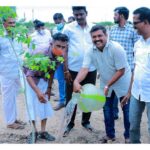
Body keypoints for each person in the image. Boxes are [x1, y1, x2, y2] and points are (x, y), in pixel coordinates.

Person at [73, 25, 131, 143]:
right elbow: (85, 68)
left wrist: (107, 85)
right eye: (94, 37)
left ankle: (128, 136)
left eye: (100, 36)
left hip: (123, 82)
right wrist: (76, 81)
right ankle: (110, 135)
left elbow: (121, 70)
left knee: (127, 110)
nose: (97, 39)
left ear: (106, 35)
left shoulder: (116, 48)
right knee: (107, 110)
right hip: (106, 82)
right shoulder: (90, 51)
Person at [24, 26, 69, 143]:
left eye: (63, 47)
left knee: (44, 102)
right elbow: (29, 75)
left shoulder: (61, 55)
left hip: (44, 77)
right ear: (51, 43)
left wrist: (48, 89)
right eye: (58, 46)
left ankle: (43, 132)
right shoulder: (40, 53)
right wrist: (38, 92)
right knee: (32, 105)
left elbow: (52, 70)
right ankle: (33, 132)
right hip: (31, 78)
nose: (60, 49)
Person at [62, 6, 97, 137]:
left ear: (86, 13)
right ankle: (69, 123)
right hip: (73, 69)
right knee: (71, 98)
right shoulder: (68, 28)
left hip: (91, 68)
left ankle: (86, 121)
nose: (79, 17)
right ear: (73, 14)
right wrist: (65, 70)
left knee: (88, 96)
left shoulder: (93, 27)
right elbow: (64, 49)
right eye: (76, 14)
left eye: (81, 14)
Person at [109, 6, 139, 120]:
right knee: (112, 92)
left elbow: (137, 50)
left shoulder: (132, 30)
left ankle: (128, 117)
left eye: (115, 14)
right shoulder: (112, 29)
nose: (114, 16)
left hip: (127, 69)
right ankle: (114, 114)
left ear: (121, 15)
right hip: (113, 68)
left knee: (125, 94)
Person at [0, 17, 26, 129]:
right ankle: (10, 122)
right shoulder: (1, 37)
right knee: (8, 97)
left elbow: (20, 52)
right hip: (6, 72)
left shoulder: (17, 36)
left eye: (14, 22)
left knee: (14, 96)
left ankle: (14, 118)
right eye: (10, 23)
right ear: (3, 24)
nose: (13, 25)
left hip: (17, 71)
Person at [129, 7, 150, 143]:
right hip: (136, 92)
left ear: (146, 22)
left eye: (135, 22)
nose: (133, 26)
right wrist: (129, 91)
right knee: (133, 127)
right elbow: (135, 68)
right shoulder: (137, 44)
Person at [52, 13, 66, 111]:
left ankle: (70, 100)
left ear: (62, 19)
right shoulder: (54, 29)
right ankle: (62, 101)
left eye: (59, 22)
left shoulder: (69, 28)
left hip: (69, 58)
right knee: (61, 80)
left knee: (71, 80)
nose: (57, 24)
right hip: (58, 58)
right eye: (56, 22)